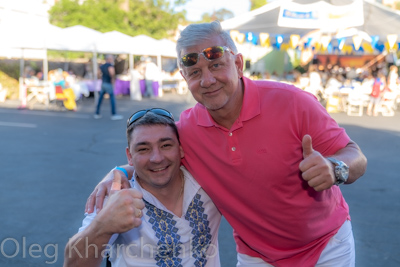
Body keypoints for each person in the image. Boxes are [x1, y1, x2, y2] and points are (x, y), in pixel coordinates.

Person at [86, 21, 367, 266]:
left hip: (328, 246)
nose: (207, 80)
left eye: (216, 65)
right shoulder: (187, 131)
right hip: (258, 255)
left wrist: (334, 168)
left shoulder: (294, 102)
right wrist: (123, 171)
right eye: (194, 72)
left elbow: (355, 156)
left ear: (239, 64)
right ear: (184, 78)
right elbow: (159, 157)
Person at [64, 109, 221, 266]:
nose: (157, 158)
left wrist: (119, 170)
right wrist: (103, 226)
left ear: (180, 149)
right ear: (130, 156)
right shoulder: (114, 196)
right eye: (143, 149)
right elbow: (72, 263)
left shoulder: (207, 183)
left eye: (166, 145)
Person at [94, 54, 123, 120]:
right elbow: (112, 73)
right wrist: (113, 81)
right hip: (108, 83)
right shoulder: (110, 66)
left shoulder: (102, 66)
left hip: (103, 83)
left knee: (100, 98)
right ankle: (114, 114)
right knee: (112, 99)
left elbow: (98, 74)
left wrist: (101, 78)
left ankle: (97, 113)